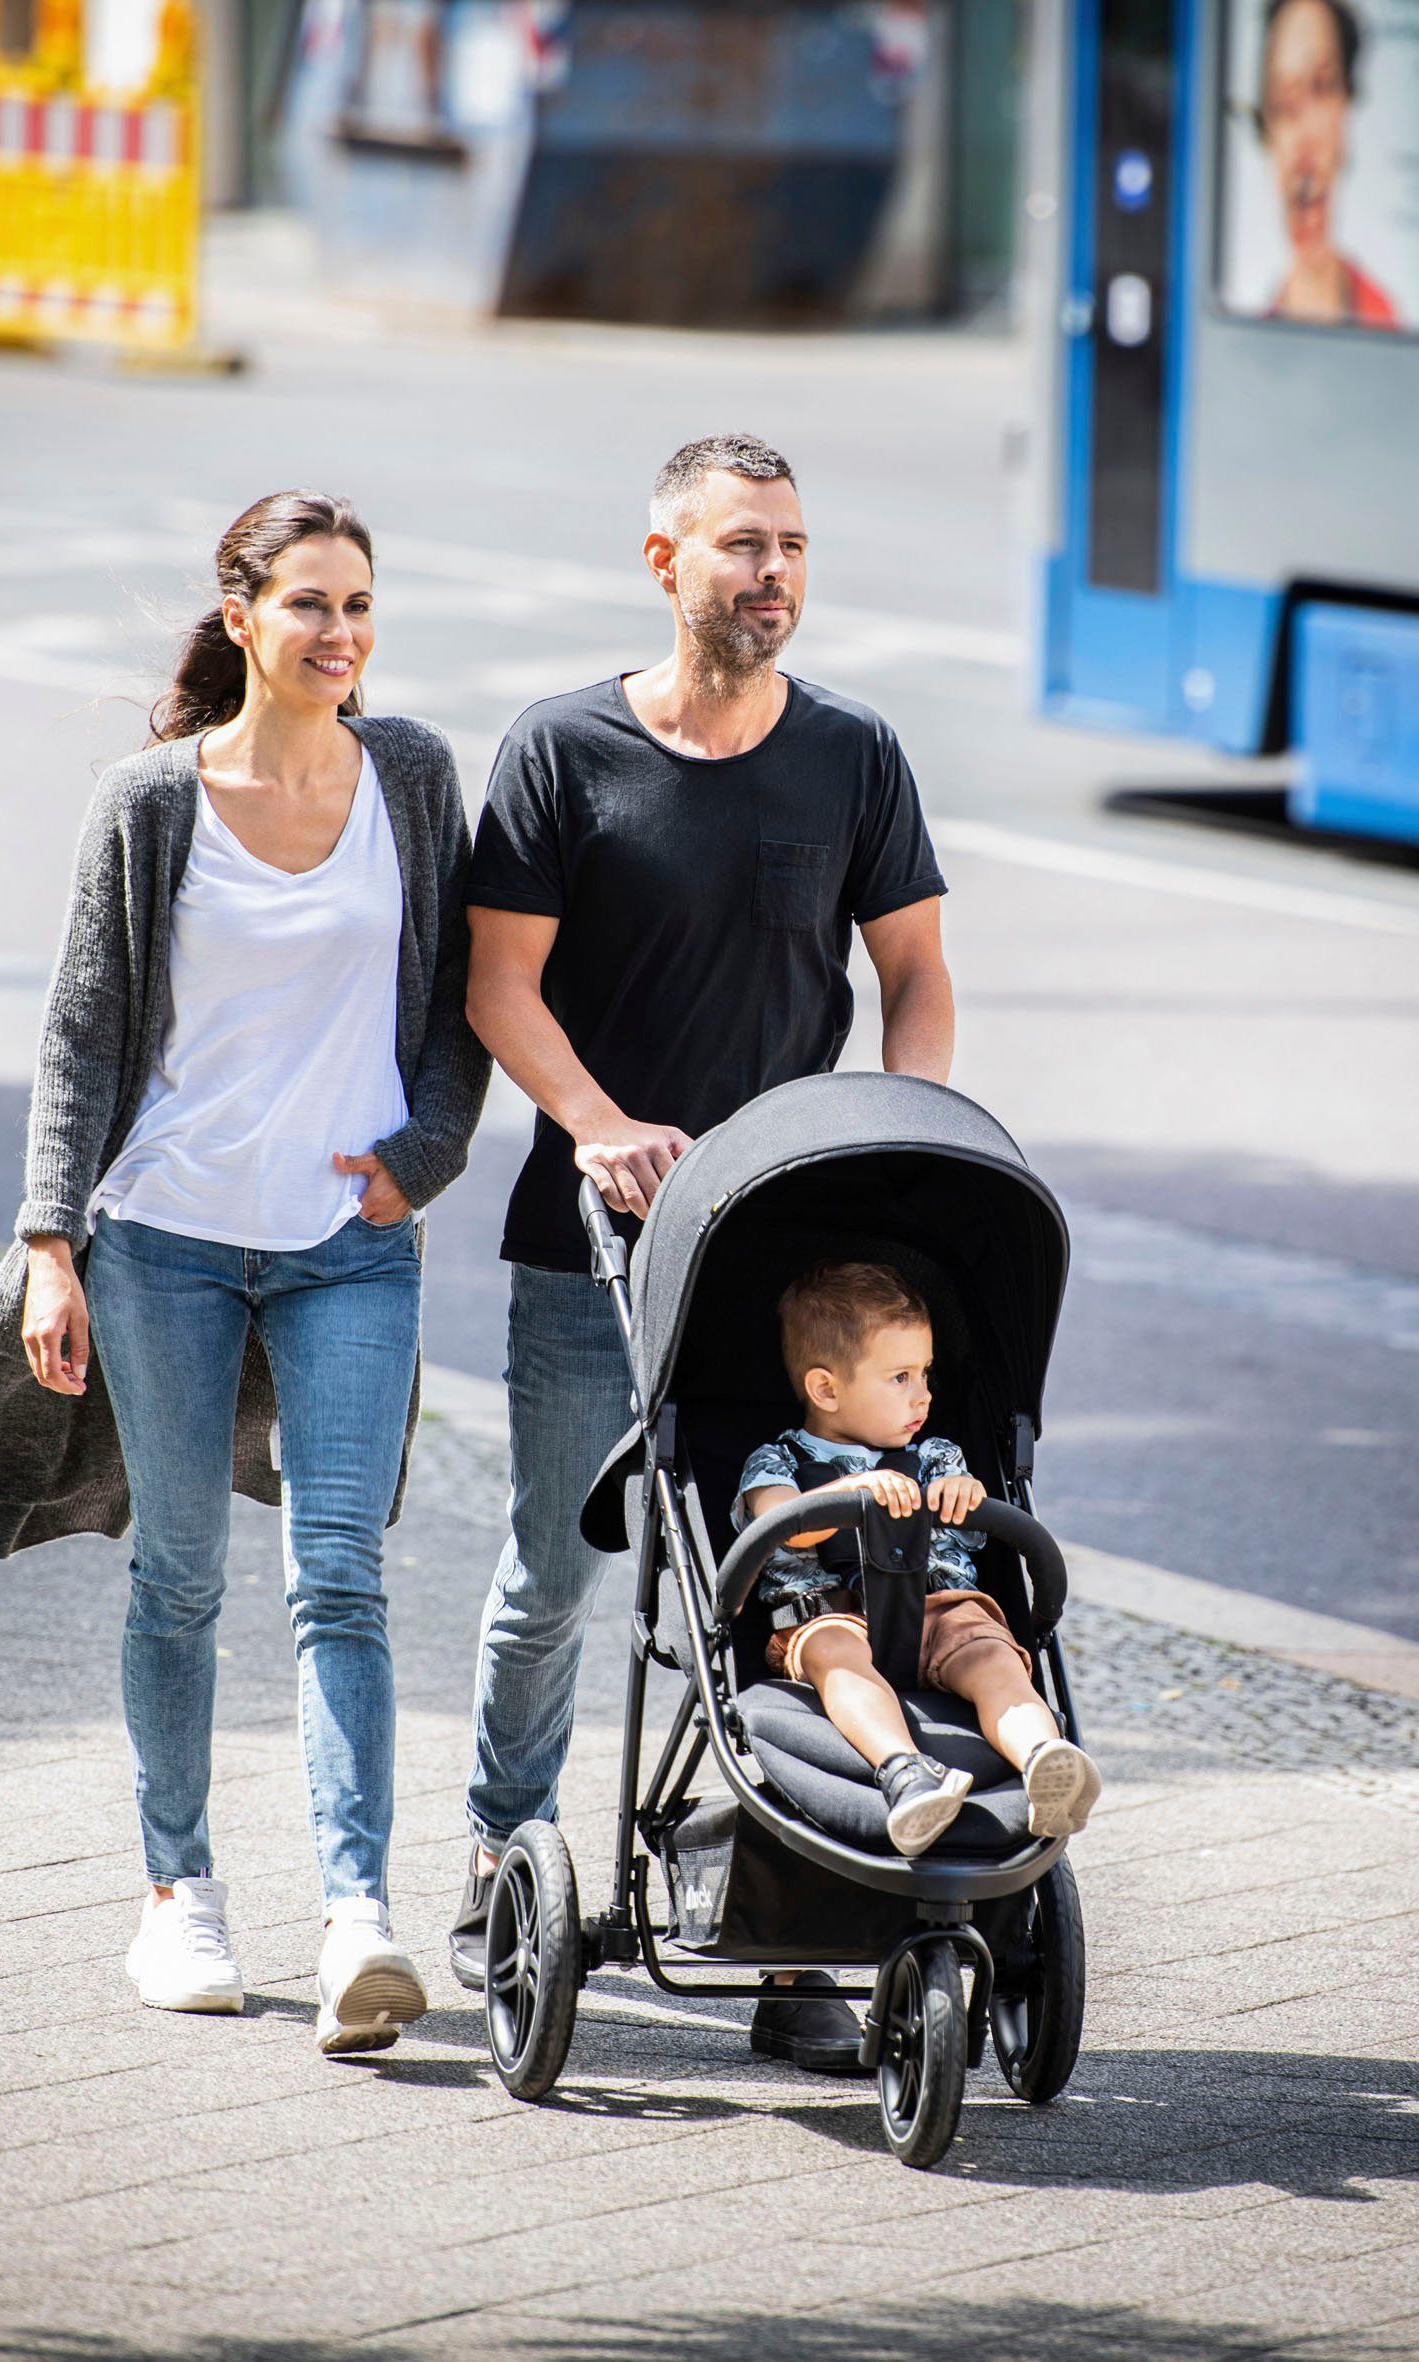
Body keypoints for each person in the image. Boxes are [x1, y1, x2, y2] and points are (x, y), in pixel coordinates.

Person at [0, 492, 491, 2057]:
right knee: (177, 1575)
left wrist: (423, 1154)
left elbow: (461, 1001)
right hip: (163, 1240)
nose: (339, 632)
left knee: (341, 1573)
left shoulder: (410, 776)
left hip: (348, 1250)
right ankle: (178, 1895)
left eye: (358, 604)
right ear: (240, 616)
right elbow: (79, 1031)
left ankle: (357, 1917)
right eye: (308, 602)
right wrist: (52, 1244)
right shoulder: (148, 802)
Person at [452, 431, 959, 2075]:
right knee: (554, 1571)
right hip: (592, 1246)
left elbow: (914, 976)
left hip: (779, 1256)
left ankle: (791, 1915)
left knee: (773, 1575)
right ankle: (497, 1856)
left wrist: (903, 1132)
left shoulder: (853, 756)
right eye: (742, 544)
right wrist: (594, 1122)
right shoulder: (562, 749)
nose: (773, 572)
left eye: (792, 545)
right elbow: (497, 984)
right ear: (664, 561)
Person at [734, 1262, 1102, 1856]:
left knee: (992, 1655)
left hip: (939, 1606)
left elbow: (970, 1511)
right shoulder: (777, 1460)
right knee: (834, 1657)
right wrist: (850, 1494)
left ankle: (1042, 1758)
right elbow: (780, 1525)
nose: (924, 1393)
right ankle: (905, 1772)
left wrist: (964, 1495)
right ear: (826, 1389)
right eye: (900, 1377)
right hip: (829, 1615)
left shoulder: (936, 1456)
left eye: (926, 1373)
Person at [1258, 0, 1400, 329]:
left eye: (1322, 87)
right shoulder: (1252, 318)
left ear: (1347, 108)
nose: (1304, 138)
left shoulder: (1385, 319)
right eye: (1284, 101)